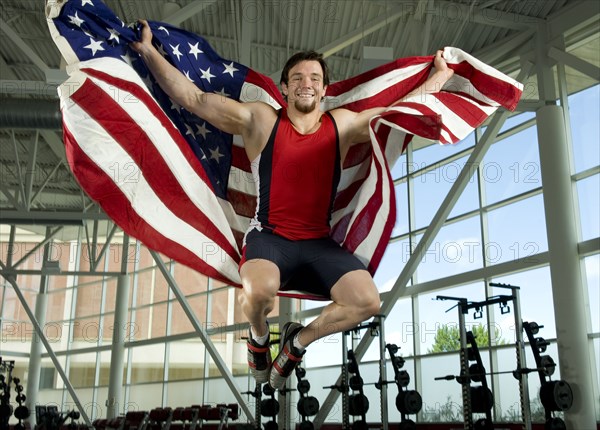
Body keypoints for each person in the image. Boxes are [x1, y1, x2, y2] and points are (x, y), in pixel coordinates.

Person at [131, 20, 454, 390]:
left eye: (315, 78)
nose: (307, 83)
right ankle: (257, 336)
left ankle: (297, 342)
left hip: (318, 243)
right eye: (298, 77)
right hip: (270, 237)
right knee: (258, 291)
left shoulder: (343, 125)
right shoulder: (260, 119)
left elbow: (400, 112)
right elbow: (195, 99)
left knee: (367, 302)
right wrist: (148, 52)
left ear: (324, 89)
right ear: (284, 87)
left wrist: (440, 76)